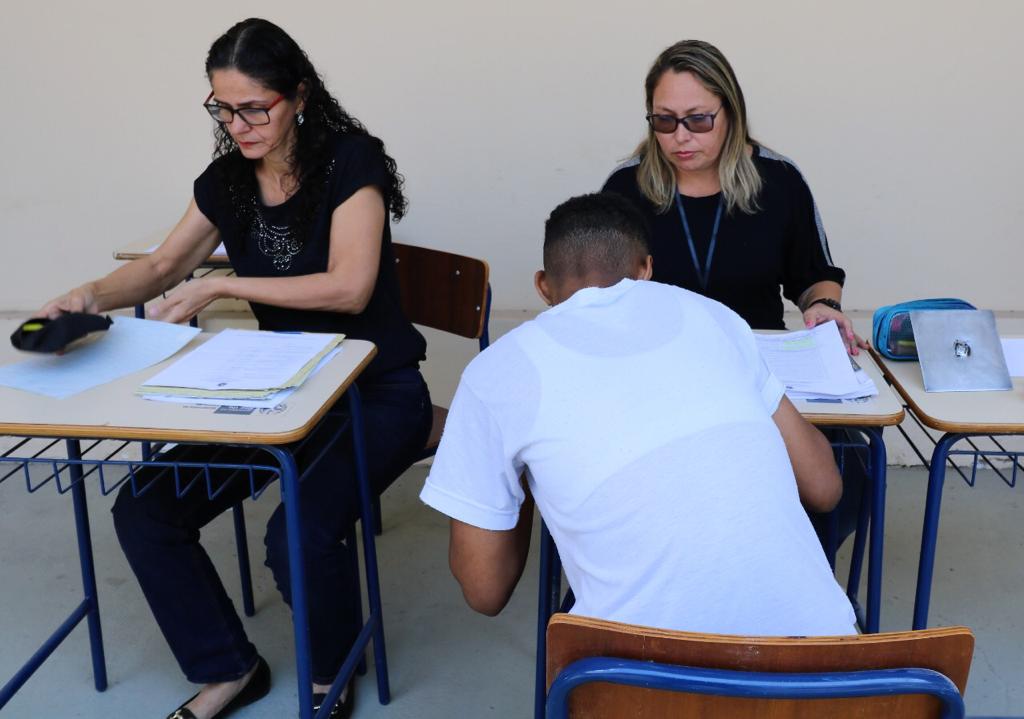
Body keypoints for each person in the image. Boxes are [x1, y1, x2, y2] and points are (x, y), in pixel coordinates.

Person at [37, 18, 431, 719]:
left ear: (298, 95)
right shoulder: (228, 180)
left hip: (376, 390)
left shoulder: (351, 159)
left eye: (256, 107)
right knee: (146, 507)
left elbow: (350, 287)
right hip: (275, 392)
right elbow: (162, 265)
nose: (239, 124)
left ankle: (333, 668)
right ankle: (229, 667)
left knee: (298, 531)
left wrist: (224, 285)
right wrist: (89, 295)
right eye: (224, 108)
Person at [419, 193, 857, 637]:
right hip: (820, 664)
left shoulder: (496, 371)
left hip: (641, 680)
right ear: (646, 269)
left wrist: (526, 475)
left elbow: (483, 591)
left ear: (543, 286)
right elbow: (825, 486)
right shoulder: (714, 317)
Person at [603, 39, 868, 546]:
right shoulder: (625, 189)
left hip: (760, 373)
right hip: (659, 376)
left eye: (698, 119)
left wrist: (823, 305)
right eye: (664, 120)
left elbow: (814, 274)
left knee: (848, 463)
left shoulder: (780, 181)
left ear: (732, 113)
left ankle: (796, 590)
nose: (680, 137)